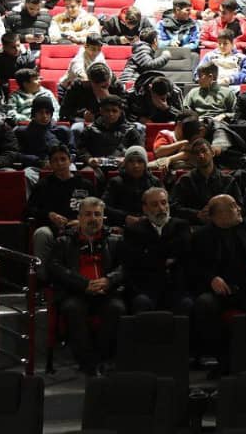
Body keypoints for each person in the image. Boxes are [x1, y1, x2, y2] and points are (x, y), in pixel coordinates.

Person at [190, 194, 246, 371]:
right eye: (233, 206)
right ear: (219, 215)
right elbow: (194, 266)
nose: (239, 208)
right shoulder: (201, 236)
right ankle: (223, 360)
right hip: (218, 292)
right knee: (204, 304)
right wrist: (211, 278)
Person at [48, 197, 126, 376]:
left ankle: (101, 359)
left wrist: (109, 280)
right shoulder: (63, 241)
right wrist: (84, 284)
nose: (93, 219)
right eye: (88, 214)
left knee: (116, 308)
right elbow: (55, 268)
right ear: (79, 218)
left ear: (103, 217)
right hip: (76, 292)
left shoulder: (115, 240)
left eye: (97, 214)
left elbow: (125, 267)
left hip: (107, 292)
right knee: (73, 309)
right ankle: (88, 363)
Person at [121, 187, 193, 315]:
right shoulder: (133, 230)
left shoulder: (182, 226)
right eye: (155, 204)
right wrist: (169, 255)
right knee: (141, 302)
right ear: (145, 209)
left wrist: (150, 251)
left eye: (164, 203)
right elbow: (135, 262)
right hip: (147, 287)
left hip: (176, 286)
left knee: (187, 304)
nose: (161, 208)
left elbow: (185, 255)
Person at [25, 145, 90, 274]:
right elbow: (28, 210)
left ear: (70, 161)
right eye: (55, 160)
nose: (59, 163)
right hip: (52, 228)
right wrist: (49, 215)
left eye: (63, 159)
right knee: (41, 234)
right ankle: (42, 279)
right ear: (50, 163)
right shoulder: (43, 185)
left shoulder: (84, 184)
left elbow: (97, 207)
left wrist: (82, 222)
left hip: (80, 227)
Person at [170, 138, 242, 224]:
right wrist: (196, 214)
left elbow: (240, 206)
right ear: (193, 158)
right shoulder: (185, 180)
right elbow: (173, 208)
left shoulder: (228, 180)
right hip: (195, 226)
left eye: (204, 151)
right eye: (196, 153)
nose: (201, 155)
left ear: (212, 153)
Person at [76, 94, 142, 170]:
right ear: (101, 111)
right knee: (87, 171)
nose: (111, 114)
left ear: (120, 112)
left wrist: (127, 159)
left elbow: (138, 151)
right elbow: (81, 149)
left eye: (114, 111)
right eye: (107, 110)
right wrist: (89, 159)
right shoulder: (89, 129)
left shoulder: (131, 130)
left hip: (123, 167)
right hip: (95, 167)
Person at [104, 146, 163, 227]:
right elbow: (104, 206)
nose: (136, 165)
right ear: (125, 164)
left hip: (151, 225)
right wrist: (125, 217)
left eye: (140, 161)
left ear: (145, 164)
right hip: (122, 225)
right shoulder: (115, 182)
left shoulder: (154, 182)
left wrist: (148, 218)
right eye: (131, 161)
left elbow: (165, 205)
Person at [14, 96, 73, 171]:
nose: (44, 116)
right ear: (34, 113)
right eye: (40, 112)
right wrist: (40, 162)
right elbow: (18, 155)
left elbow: (72, 153)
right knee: (28, 173)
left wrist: (61, 161)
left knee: (72, 171)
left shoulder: (63, 131)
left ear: (51, 113)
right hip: (34, 167)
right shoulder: (22, 132)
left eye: (47, 112)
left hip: (62, 166)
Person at [58, 62, 125, 124]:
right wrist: (83, 114)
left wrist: (109, 100)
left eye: (105, 86)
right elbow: (64, 111)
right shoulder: (78, 86)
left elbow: (125, 113)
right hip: (84, 122)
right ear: (89, 81)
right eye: (97, 86)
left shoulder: (117, 86)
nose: (101, 89)